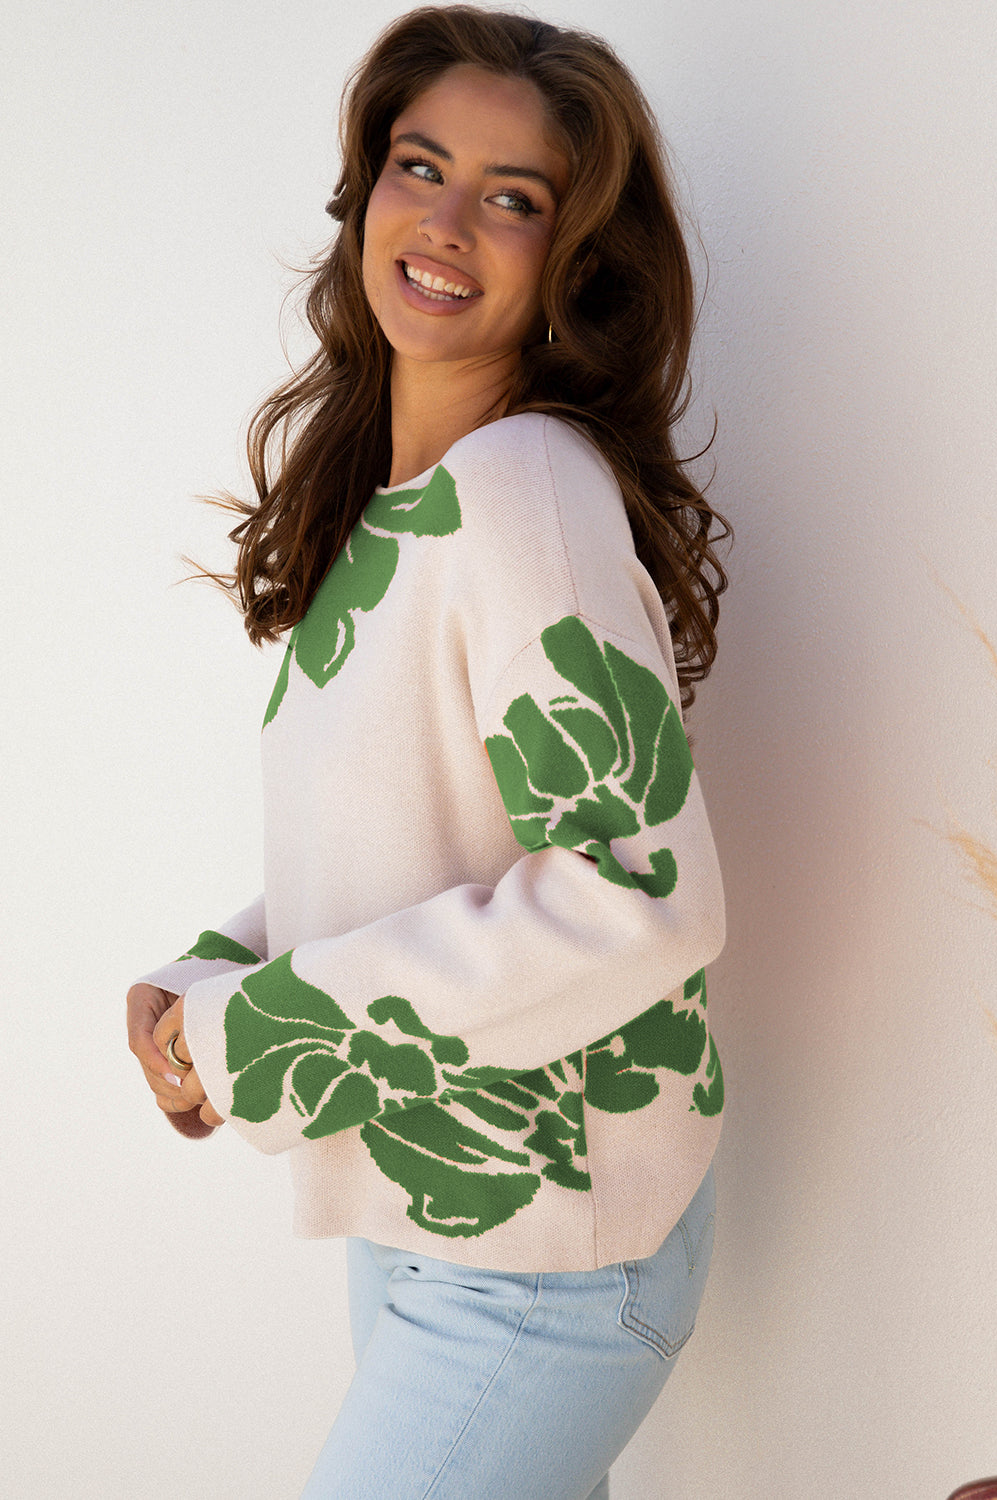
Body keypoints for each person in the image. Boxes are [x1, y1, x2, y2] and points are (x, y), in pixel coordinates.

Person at [126, 7, 731, 1497]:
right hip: (429, 1202)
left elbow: (640, 894)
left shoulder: (525, 485)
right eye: (420, 165)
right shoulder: (399, 511)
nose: (447, 221)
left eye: (511, 197)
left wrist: (256, 1041)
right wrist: (212, 976)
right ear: (365, 192)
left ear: (571, 258)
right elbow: (413, 843)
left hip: (547, 1255)